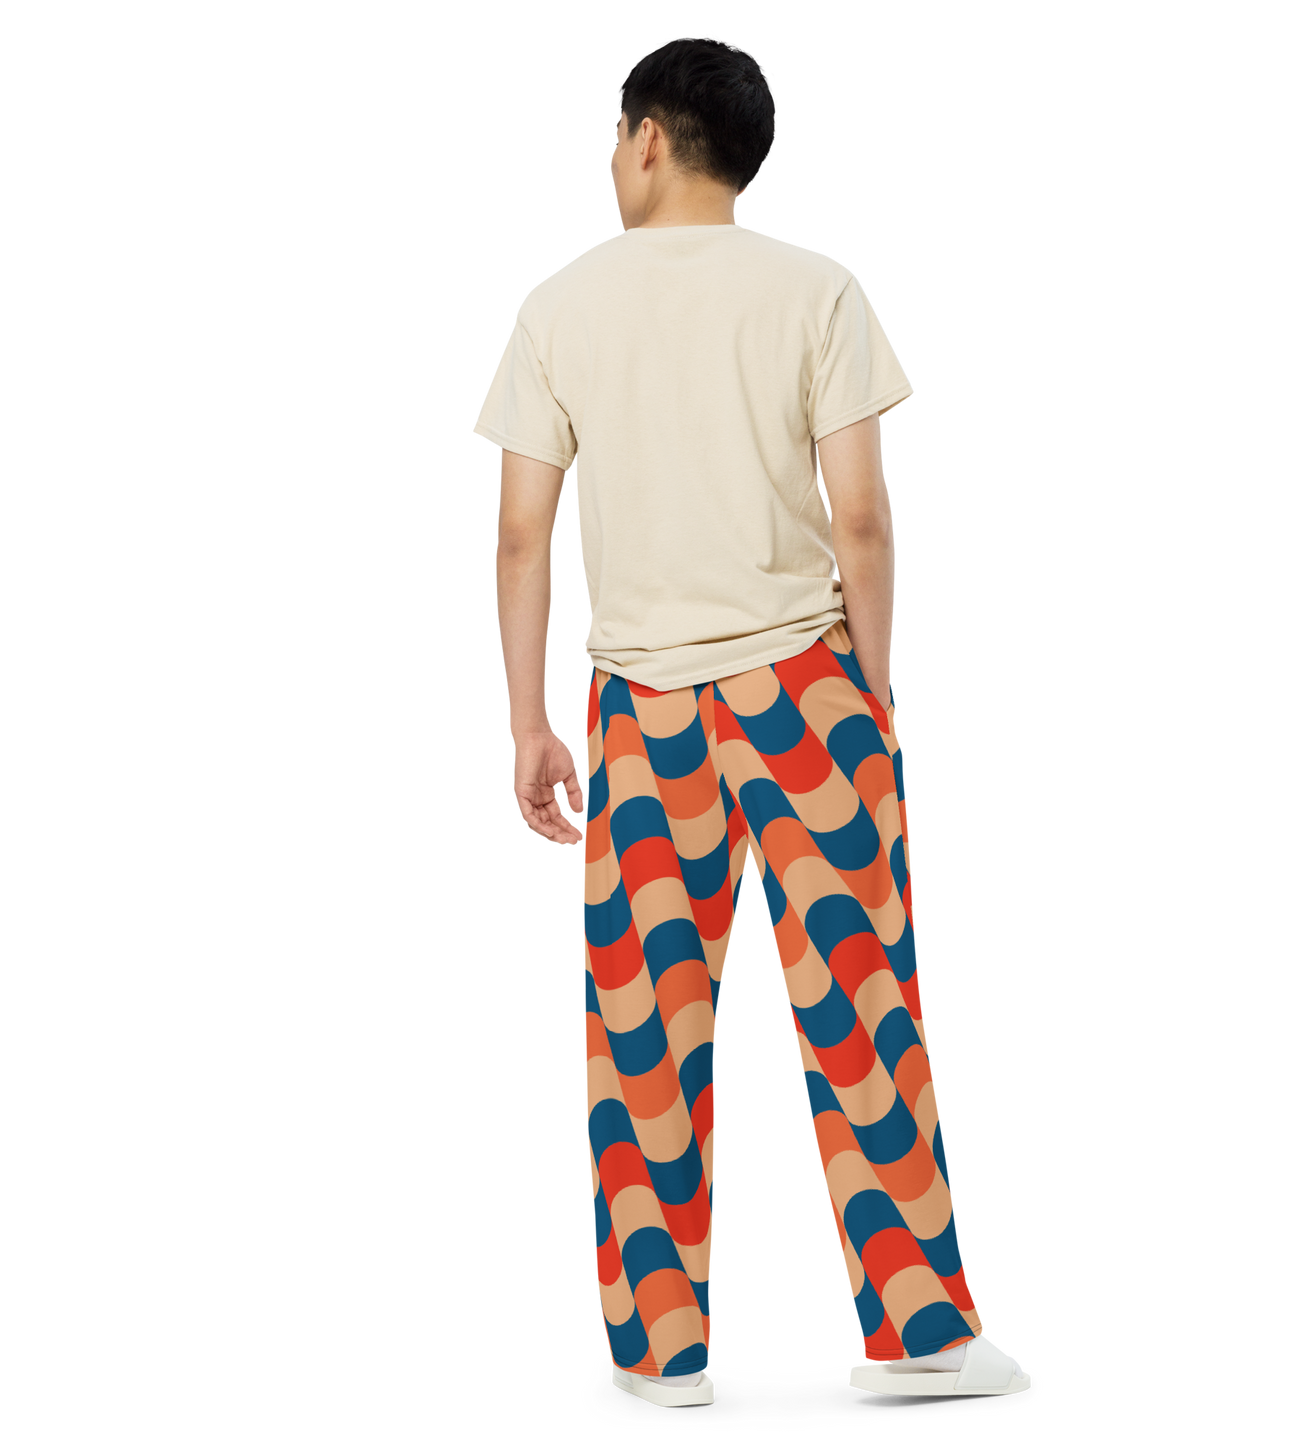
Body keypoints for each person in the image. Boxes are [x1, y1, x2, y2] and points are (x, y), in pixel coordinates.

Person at [476, 26, 1031, 1408]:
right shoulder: (819, 288)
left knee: (643, 1035)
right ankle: (922, 1335)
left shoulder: (558, 303)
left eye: (614, 139)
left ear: (649, 139)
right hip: (808, 692)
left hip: (638, 711)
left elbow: (522, 532)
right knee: (866, 1009)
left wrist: (530, 724)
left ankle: (658, 1356)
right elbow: (864, 515)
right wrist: (875, 689)